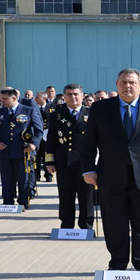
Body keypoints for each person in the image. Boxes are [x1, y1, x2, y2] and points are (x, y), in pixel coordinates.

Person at [81, 68, 140, 272]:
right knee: (114, 222)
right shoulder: (101, 108)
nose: (127, 86)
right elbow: (88, 142)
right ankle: (117, 264)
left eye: (132, 82)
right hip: (110, 175)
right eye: (123, 82)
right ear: (116, 85)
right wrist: (88, 169)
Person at [45, 84, 94, 229]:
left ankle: (86, 225)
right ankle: (66, 225)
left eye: (76, 94)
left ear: (82, 96)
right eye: (69, 94)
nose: (73, 97)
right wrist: (49, 161)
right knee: (66, 196)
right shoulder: (56, 115)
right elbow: (51, 140)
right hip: (63, 162)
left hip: (86, 163)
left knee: (86, 196)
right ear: (64, 97)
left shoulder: (92, 113)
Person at [0, 88, 43, 209]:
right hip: (4, 150)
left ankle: (24, 200)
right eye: (1, 98)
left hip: (23, 150)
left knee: (23, 177)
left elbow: (38, 131)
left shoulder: (28, 111)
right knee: (6, 177)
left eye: (5, 99)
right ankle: (8, 201)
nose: (1, 101)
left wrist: (34, 144)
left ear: (14, 98)